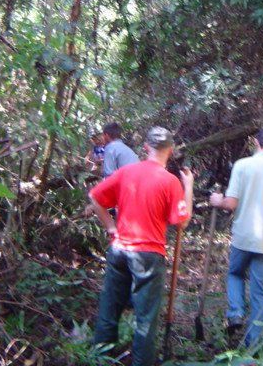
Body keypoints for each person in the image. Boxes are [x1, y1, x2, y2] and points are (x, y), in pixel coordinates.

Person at [89, 126, 194, 366]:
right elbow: (183, 221)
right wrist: (188, 186)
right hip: (148, 255)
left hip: (119, 250)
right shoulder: (170, 182)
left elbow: (95, 197)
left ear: (145, 148)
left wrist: (111, 228)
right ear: (170, 151)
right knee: (145, 318)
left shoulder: (127, 172)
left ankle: (100, 358)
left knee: (110, 308)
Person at [209, 126, 263, 347]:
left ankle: (236, 312)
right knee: (260, 294)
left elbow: (230, 203)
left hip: (243, 237)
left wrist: (216, 200)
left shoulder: (242, 166)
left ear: (256, 143)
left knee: (235, 274)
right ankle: (253, 348)